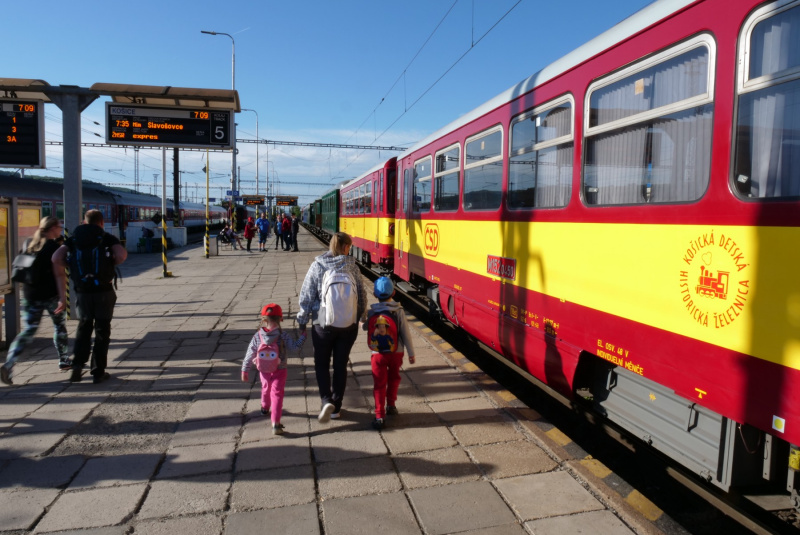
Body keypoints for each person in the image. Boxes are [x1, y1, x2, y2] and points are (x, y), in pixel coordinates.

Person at [297, 232, 367, 423]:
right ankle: (337, 406)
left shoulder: (317, 265)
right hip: (348, 323)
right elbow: (361, 295)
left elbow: (306, 296)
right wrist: (361, 316)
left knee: (321, 363)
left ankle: (326, 400)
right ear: (345, 247)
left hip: (322, 321)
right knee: (340, 365)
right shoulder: (352, 267)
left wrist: (302, 321)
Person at [53, 209, 128, 384]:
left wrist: (70, 266)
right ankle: (98, 371)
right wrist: (111, 263)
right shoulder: (106, 237)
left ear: (84, 222)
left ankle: (78, 364)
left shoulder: (74, 238)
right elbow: (122, 255)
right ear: (101, 222)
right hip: (104, 290)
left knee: (84, 326)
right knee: (102, 330)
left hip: (82, 292)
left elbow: (56, 257)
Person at [0, 217, 70, 385]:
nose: (60, 230)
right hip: (51, 295)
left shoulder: (29, 244)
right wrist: (63, 297)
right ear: (52, 228)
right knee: (59, 327)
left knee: (28, 331)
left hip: (30, 295)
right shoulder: (54, 247)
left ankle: (9, 364)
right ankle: (64, 360)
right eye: (59, 227)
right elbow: (59, 274)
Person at [241, 303, 306, 435]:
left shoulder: (258, 336)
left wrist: (245, 370)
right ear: (280, 319)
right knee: (277, 394)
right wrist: (302, 338)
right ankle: (275, 423)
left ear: (264, 320)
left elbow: (250, 353)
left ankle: (264, 408)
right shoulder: (283, 335)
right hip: (280, 369)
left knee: (266, 388)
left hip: (263, 370)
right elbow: (294, 348)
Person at [363, 277, 416, 430]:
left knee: (379, 384)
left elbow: (366, 327)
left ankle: (379, 416)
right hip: (396, 353)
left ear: (374, 294)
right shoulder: (398, 311)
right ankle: (391, 405)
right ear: (393, 292)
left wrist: (361, 322)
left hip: (377, 354)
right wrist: (411, 353)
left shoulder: (373, 311)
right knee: (394, 378)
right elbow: (405, 333)